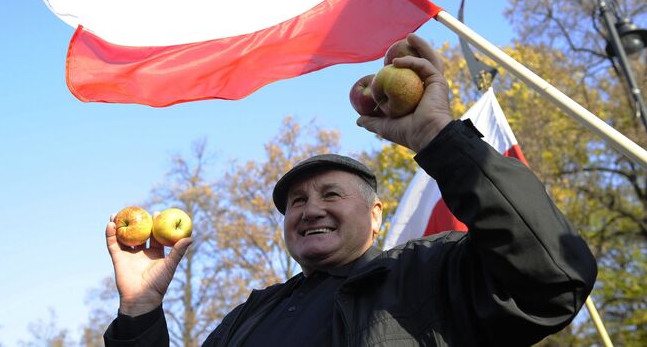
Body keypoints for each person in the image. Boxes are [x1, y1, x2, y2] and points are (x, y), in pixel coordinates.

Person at [103, 34, 597, 346]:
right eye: (297, 202)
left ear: (377, 215)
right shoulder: (247, 319)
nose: (310, 209)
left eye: (331, 195)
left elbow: (552, 280)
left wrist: (437, 138)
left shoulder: (430, 274)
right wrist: (141, 310)